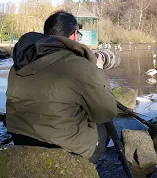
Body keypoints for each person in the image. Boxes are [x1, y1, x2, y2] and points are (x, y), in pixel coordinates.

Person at [5, 10, 118, 163]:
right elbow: (107, 112)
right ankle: (85, 169)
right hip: (62, 150)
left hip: (20, 140)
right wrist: (97, 71)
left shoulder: (19, 63)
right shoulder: (79, 66)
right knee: (103, 125)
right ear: (75, 35)